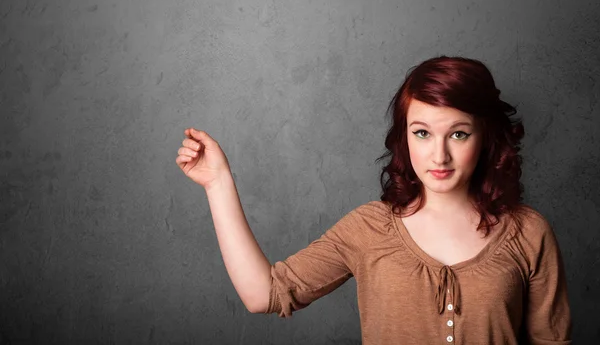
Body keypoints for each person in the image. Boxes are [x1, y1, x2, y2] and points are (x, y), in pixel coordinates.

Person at [176, 56, 572, 344]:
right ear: (404, 137)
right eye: (422, 133)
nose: (439, 155)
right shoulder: (368, 228)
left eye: (458, 134)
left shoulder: (529, 232)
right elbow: (264, 293)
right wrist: (218, 183)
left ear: (484, 137)